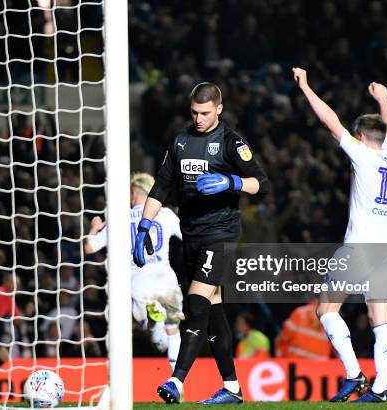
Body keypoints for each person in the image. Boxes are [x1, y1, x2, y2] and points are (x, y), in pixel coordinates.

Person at [133, 82, 271, 404]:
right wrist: (143, 226)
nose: (198, 118)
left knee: (196, 304)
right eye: (194, 112)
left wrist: (232, 181)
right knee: (212, 312)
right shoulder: (180, 141)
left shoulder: (231, 142)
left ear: (219, 110)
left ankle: (176, 382)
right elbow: (162, 187)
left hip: (220, 236)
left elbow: (261, 183)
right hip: (191, 236)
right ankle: (233, 387)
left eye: (205, 113)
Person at [293, 67, 387, 403]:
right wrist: (383, 99)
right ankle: (381, 388)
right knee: (379, 318)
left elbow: (330, 121)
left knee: (326, 310)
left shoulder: (365, 156)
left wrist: (307, 87)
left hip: (360, 248)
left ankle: (354, 375)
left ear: (364, 137)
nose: (353, 139)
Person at [84, 172, 184, 371]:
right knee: (173, 330)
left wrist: (94, 228)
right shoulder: (166, 214)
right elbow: (187, 237)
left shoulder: (118, 219)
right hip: (166, 277)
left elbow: (90, 248)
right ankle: (176, 381)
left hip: (139, 280)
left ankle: (152, 323)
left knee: (155, 335)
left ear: (133, 194)